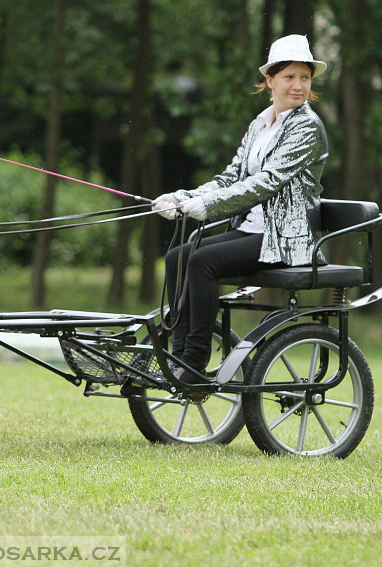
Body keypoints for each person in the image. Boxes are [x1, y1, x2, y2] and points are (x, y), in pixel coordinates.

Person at [151, 34, 329, 384]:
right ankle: (179, 352)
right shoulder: (260, 125)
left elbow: (266, 181)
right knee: (177, 258)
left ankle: (193, 360)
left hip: (285, 238)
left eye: (304, 78)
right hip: (251, 230)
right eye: (289, 77)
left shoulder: (308, 126)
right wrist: (183, 196)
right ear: (270, 81)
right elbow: (231, 176)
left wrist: (207, 205)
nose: (298, 86)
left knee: (201, 262)